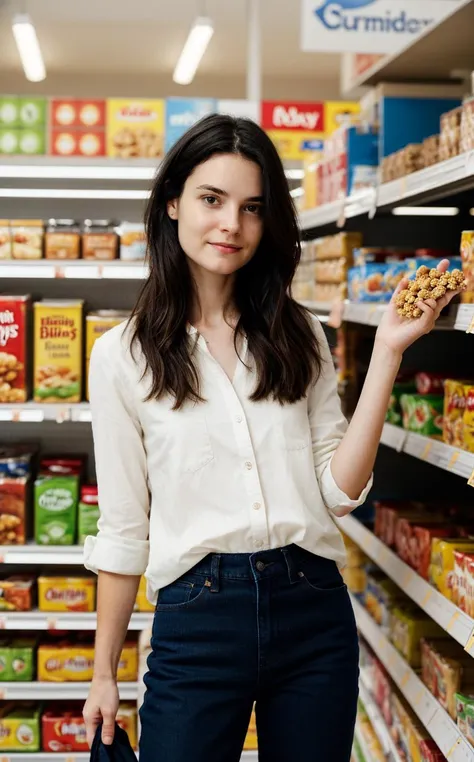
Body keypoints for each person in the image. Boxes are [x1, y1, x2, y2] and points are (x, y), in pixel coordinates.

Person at [82, 114, 462, 762]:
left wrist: (389, 354)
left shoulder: (299, 336)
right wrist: (102, 672)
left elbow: (339, 493)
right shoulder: (121, 357)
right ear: (172, 201)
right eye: (212, 200)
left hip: (312, 608)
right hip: (196, 619)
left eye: (252, 207)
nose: (231, 224)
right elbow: (124, 530)